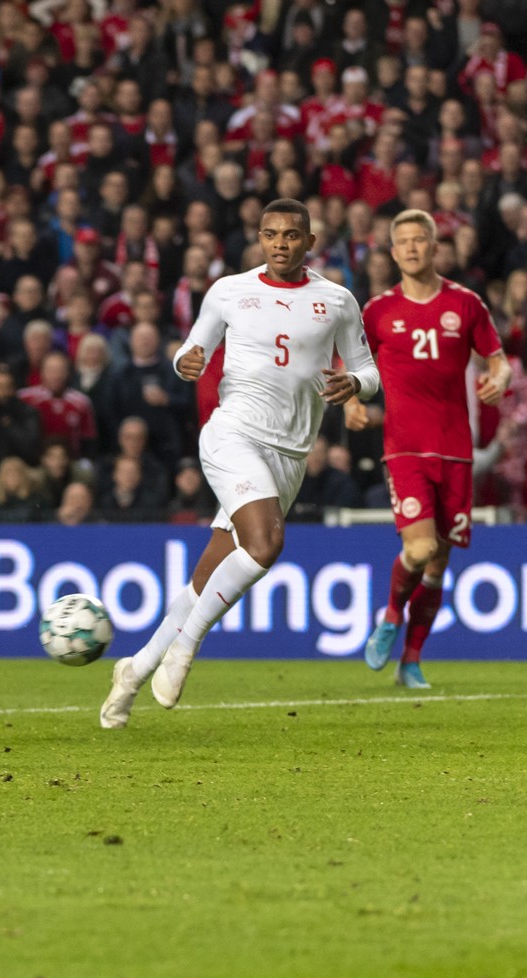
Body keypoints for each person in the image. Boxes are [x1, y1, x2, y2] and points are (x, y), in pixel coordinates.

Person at [101, 199, 380, 729]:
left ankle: (132, 672)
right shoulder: (229, 291)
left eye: (291, 235)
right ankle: (186, 646)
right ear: (259, 238)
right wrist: (184, 362)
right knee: (266, 544)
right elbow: (191, 350)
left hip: (290, 454)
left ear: (309, 242)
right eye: (271, 234)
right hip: (233, 434)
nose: (280, 244)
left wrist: (355, 383)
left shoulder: (338, 300)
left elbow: (368, 370)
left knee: (207, 577)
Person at [347, 210, 509, 690]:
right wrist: (351, 402)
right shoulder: (377, 311)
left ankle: (411, 661)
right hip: (405, 448)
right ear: (393, 253)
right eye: (404, 242)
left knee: (437, 567)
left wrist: (499, 379)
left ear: (435, 247)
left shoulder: (466, 304)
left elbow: (498, 360)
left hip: (456, 449)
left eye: (421, 239)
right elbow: (350, 363)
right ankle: (390, 616)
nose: (413, 247)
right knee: (419, 549)